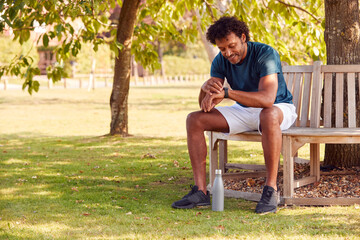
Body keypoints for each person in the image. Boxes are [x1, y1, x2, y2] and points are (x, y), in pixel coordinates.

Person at [171, 16, 297, 214]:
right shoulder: (220, 61)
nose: (228, 53)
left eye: (231, 46)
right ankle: (200, 192)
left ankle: (271, 189)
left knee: (268, 115)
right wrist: (204, 90)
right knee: (194, 119)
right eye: (222, 49)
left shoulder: (265, 53)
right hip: (244, 110)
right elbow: (206, 107)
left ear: (243, 37)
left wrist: (228, 93)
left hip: (278, 108)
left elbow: (267, 100)